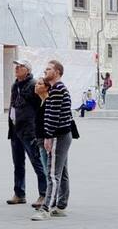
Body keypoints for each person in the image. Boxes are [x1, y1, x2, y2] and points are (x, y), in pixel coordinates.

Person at [32, 61, 78, 220]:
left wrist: (48, 136)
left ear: (57, 72)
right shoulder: (57, 89)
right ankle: (61, 205)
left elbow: (53, 116)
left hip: (58, 135)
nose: (45, 71)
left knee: (52, 174)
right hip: (63, 135)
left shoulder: (57, 90)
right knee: (62, 172)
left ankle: (46, 209)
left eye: (49, 69)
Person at [5, 60, 48, 207]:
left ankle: (44, 194)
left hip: (29, 131)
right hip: (15, 129)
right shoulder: (15, 85)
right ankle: (19, 193)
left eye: (20, 66)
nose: (16, 68)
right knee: (18, 163)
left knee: (37, 163)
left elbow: (41, 105)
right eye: (16, 66)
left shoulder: (34, 85)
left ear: (28, 70)